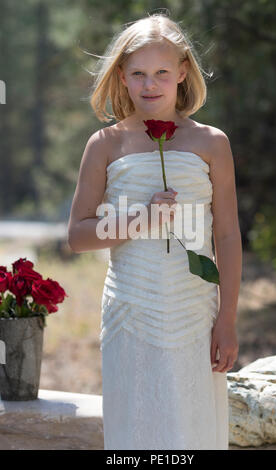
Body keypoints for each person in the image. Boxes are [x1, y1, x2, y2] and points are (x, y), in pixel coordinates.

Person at [67, 13, 242, 450]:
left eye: (162, 72)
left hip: (195, 311)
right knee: (136, 428)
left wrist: (228, 320)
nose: (151, 84)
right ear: (121, 77)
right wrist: (137, 220)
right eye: (139, 73)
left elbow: (227, 237)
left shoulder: (211, 143)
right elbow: (77, 235)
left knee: (193, 425)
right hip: (131, 310)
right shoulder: (105, 144)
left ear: (182, 73)